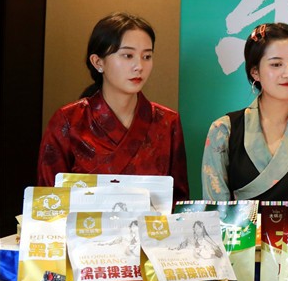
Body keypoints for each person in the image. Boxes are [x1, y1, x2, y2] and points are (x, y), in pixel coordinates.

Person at [37, 12, 190, 201]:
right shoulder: (68, 121)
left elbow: (179, 201)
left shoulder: (167, 122)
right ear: (98, 62)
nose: (139, 66)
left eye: (147, 56)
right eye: (128, 55)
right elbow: (48, 201)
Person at [202, 23, 288, 200]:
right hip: (239, 221)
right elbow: (215, 207)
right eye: (276, 64)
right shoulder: (224, 130)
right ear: (255, 72)